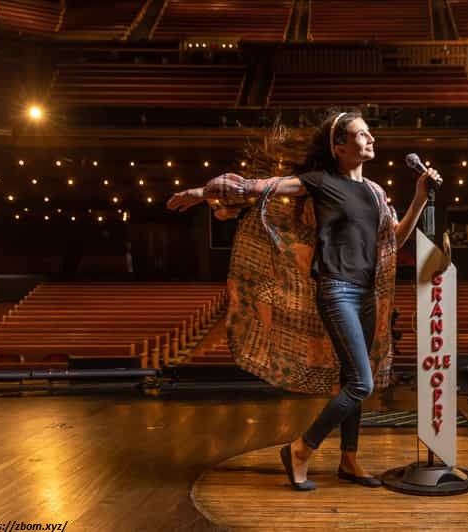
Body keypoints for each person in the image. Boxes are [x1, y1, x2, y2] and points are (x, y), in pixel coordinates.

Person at [167, 110, 441, 490]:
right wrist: (203, 193)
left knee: (352, 379)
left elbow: (394, 237)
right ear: (339, 147)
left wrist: (420, 198)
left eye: (369, 133)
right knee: (361, 384)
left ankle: (349, 459)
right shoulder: (319, 182)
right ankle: (300, 449)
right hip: (337, 290)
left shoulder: (375, 192)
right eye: (362, 135)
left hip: (366, 294)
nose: (371, 139)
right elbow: (258, 187)